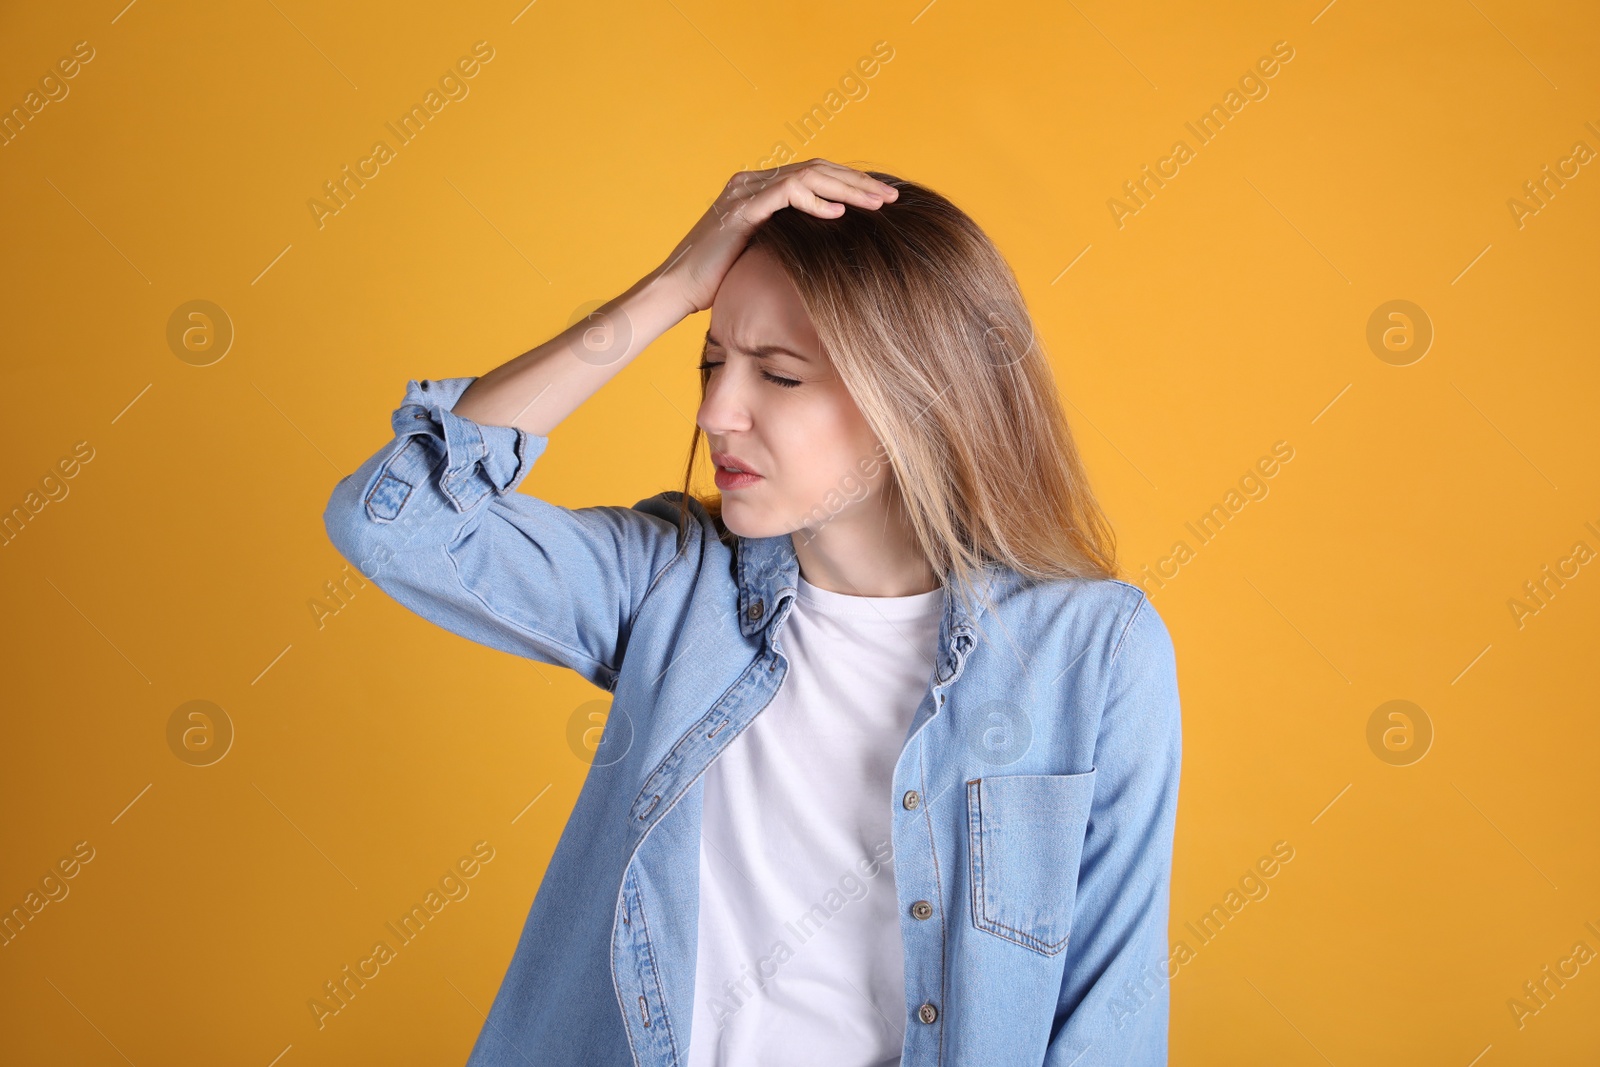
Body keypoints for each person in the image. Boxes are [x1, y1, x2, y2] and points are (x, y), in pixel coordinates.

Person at [323, 158, 1182, 1066]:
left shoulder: (1093, 652)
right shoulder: (670, 583)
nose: (715, 413)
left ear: (916, 399)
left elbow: (1108, 1021)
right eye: (711, 361)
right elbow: (396, 519)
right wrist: (671, 287)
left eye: (777, 375)